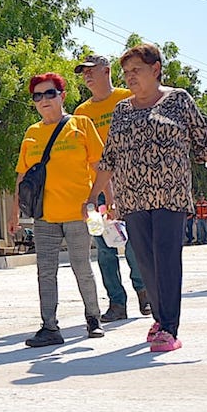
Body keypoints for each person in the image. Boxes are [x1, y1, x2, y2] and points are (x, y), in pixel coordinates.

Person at [93, 43, 207, 353]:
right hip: (132, 198)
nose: (130, 77)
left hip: (170, 194)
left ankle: (170, 328)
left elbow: (203, 142)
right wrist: (93, 195)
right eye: (126, 72)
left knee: (166, 259)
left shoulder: (178, 100)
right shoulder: (122, 110)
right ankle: (160, 319)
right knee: (146, 262)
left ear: (156, 69)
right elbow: (110, 156)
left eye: (137, 70)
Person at [8, 73, 104, 347]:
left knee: (81, 267)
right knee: (45, 272)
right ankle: (49, 327)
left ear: (62, 96)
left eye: (49, 93)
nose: (43, 100)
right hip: (44, 216)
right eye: (37, 96)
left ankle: (93, 319)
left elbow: (100, 167)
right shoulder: (32, 133)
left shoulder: (81, 124)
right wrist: (15, 212)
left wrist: (105, 200)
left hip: (78, 213)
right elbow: (22, 176)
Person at [73, 53, 148, 320]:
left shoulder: (128, 99)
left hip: (131, 186)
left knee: (135, 244)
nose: (87, 76)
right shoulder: (81, 113)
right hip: (96, 193)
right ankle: (117, 303)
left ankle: (144, 292)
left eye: (91, 70)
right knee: (103, 249)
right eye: (83, 72)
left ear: (106, 71)